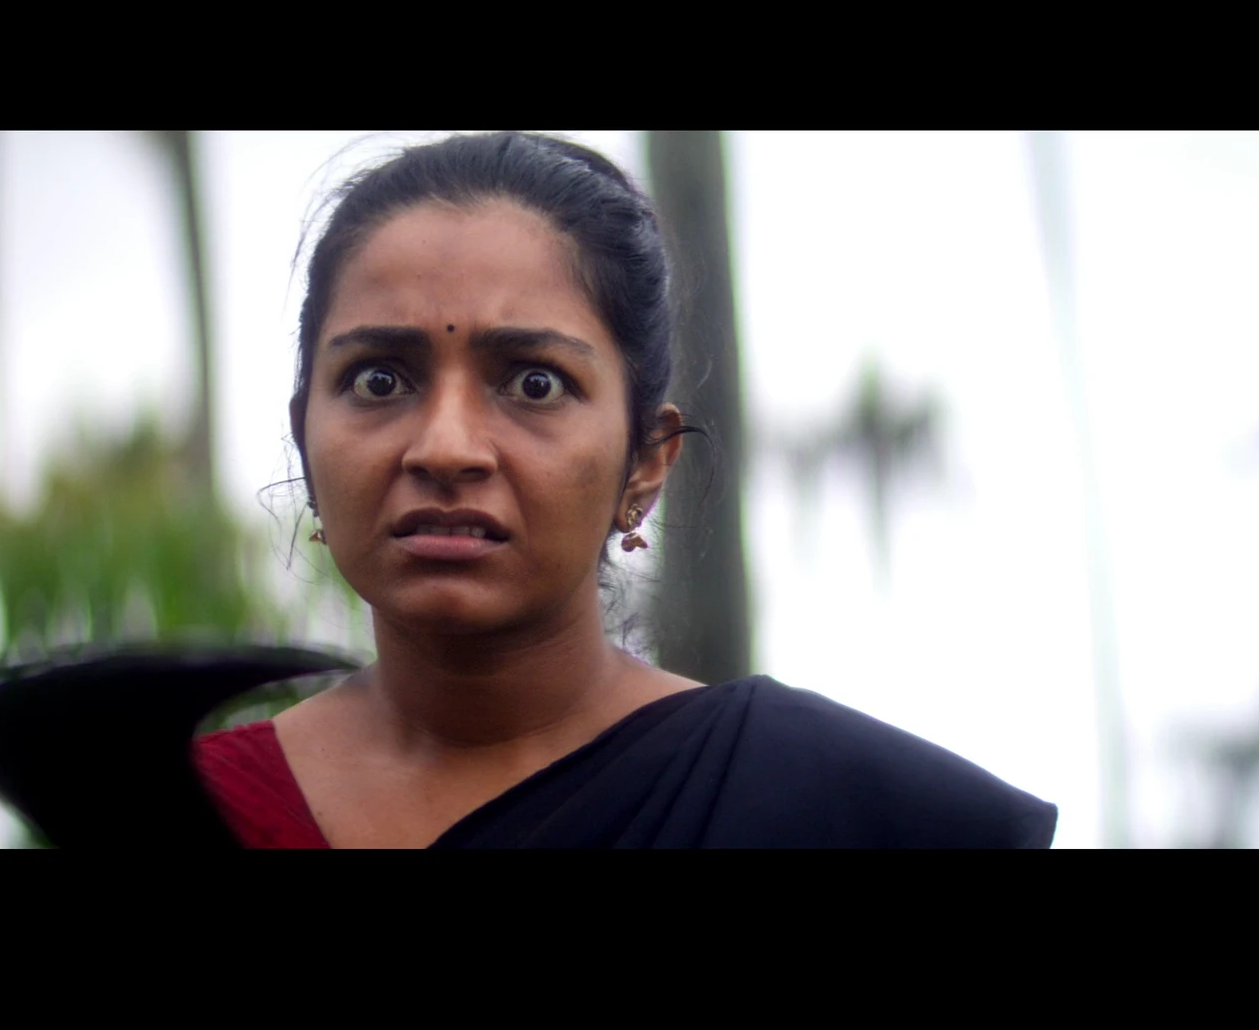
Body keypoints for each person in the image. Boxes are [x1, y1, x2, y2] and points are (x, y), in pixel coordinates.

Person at [192, 132, 1058, 848]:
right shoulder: (181, 811)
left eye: (534, 383)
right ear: (306, 435)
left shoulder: (851, 811)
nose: (446, 447)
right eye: (380, 380)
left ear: (646, 460)